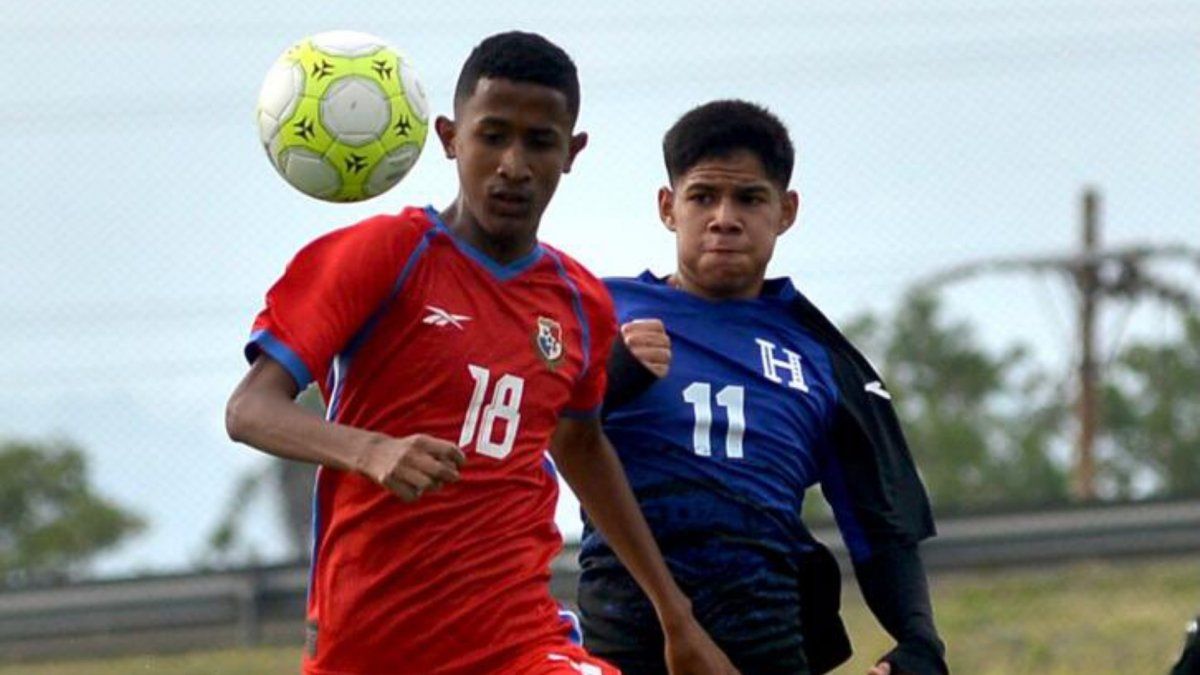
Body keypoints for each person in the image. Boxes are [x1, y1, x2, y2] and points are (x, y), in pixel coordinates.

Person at [225, 32, 737, 675]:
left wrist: (675, 615)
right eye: (493, 136)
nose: (514, 165)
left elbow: (580, 444)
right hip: (371, 643)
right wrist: (373, 449)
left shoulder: (579, 301)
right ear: (449, 137)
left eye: (540, 142)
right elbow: (250, 410)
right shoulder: (386, 253)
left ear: (572, 152)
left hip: (518, 640)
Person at [577, 100, 949, 675]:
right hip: (624, 640)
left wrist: (921, 641)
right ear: (667, 207)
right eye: (703, 197)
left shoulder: (821, 355)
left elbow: (883, 522)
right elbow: (527, 435)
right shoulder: (597, 310)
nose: (725, 218)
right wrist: (608, 383)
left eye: (749, 198)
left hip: (763, 642)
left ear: (786, 210)